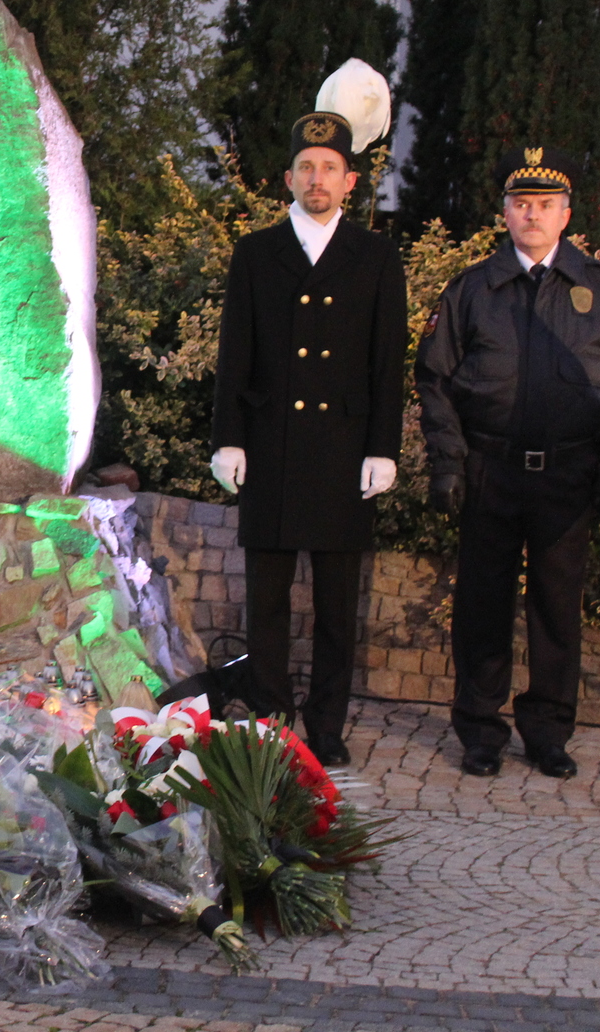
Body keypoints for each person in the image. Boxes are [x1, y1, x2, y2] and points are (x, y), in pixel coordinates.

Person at [416, 147, 600, 779]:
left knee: (556, 607)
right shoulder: (471, 289)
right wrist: (448, 462)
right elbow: (434, 378)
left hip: (568, 476)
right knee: (482, 605)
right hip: (491, 470)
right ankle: (480, 729)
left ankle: (548, 730)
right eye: (521, 205)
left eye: (545, 206)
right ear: (505, 214)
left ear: (566, 214)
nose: (532, 216)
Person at [209, 110, 407, 766]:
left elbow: (387, 362)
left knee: (334, 606)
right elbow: (235, 353)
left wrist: (384, 447)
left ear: (350, 180)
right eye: (305, 167)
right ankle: (270, 715)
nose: (316, 178)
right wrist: (228, 438)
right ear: (288, 177)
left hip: (343, 451)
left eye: (329, 168)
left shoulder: (376, 257)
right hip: (269, 446)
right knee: (265, 600)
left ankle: (326, 724)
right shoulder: (257, 253)